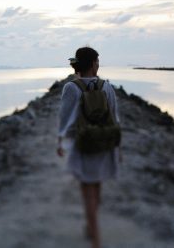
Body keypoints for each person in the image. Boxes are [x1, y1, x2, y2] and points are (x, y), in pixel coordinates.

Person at [57, 47, 122, 248]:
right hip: (104, 142)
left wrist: (60, 141)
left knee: (87, 192)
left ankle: (95, 239)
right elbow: (114, 118)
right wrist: (119, 148)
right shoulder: (107, 87)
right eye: (97, 61)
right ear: (93, 63)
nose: (98, 64)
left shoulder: (71, 88)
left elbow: (65, 118)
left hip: (83, 144)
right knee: (97, 186)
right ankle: (92, 230)